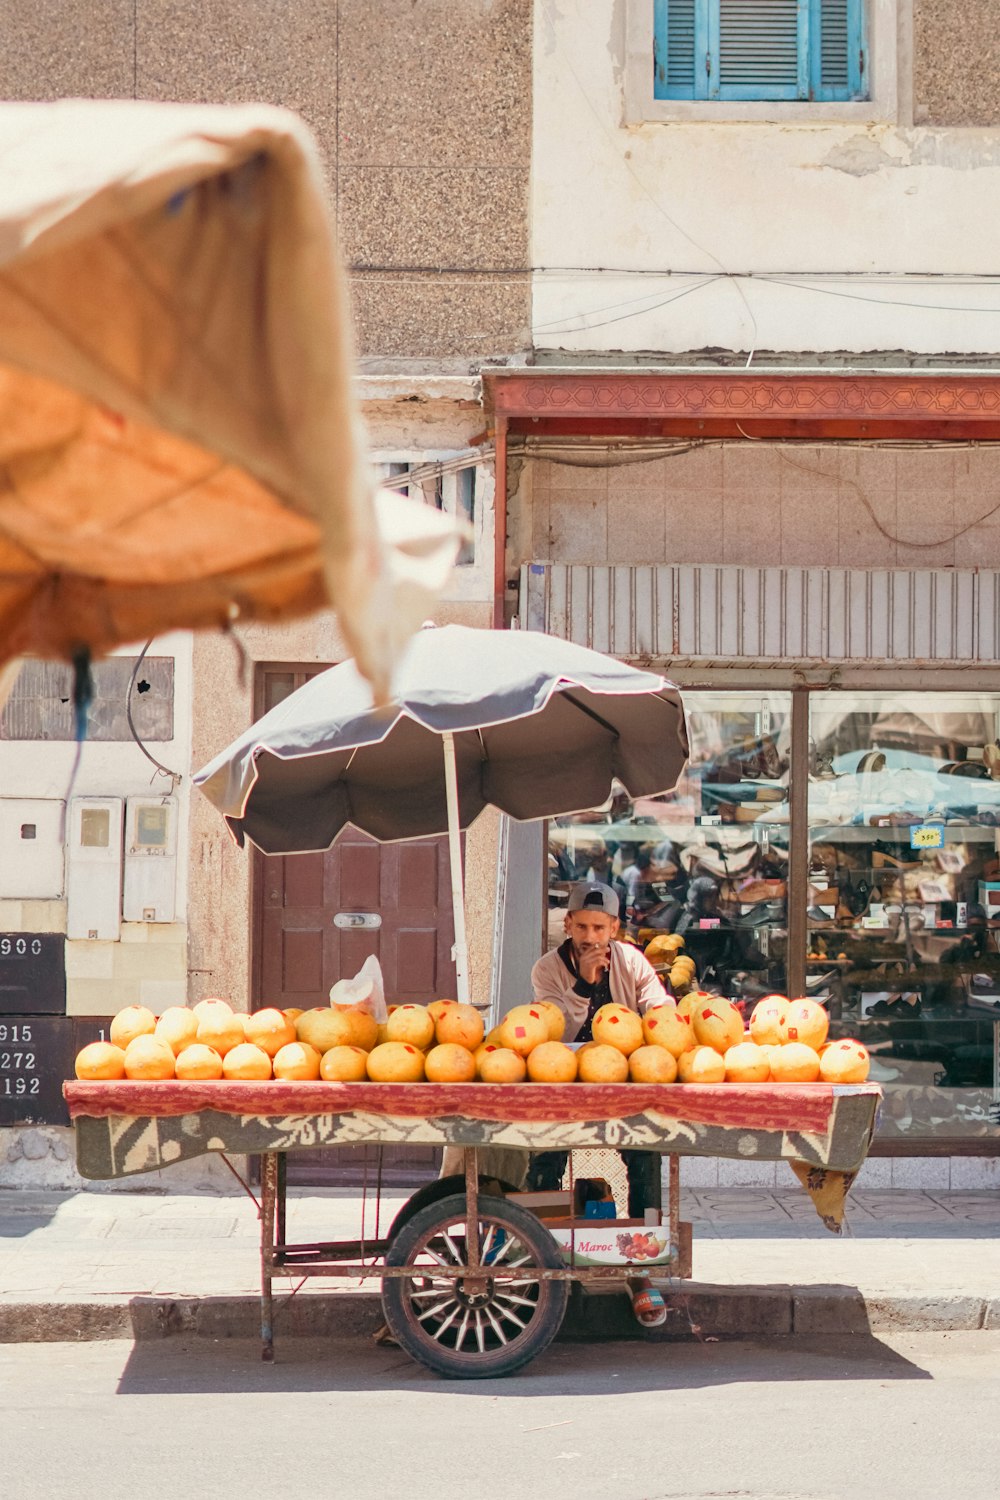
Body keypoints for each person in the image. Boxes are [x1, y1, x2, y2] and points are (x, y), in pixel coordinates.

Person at [529, 880, 670, 1328]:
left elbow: (658, 1010)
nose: (590, 937)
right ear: (567, 924)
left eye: (599, 928)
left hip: (623, 1082)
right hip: (566, 1084)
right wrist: (585, 987)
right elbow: (553, 1034)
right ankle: (544, 1267)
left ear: (614, 928)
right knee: (546, 1158)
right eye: (582, 926)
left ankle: (642, 1271)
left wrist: (670, 1021)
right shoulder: (547, 970)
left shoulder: (633, 962)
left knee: (645, 1157)